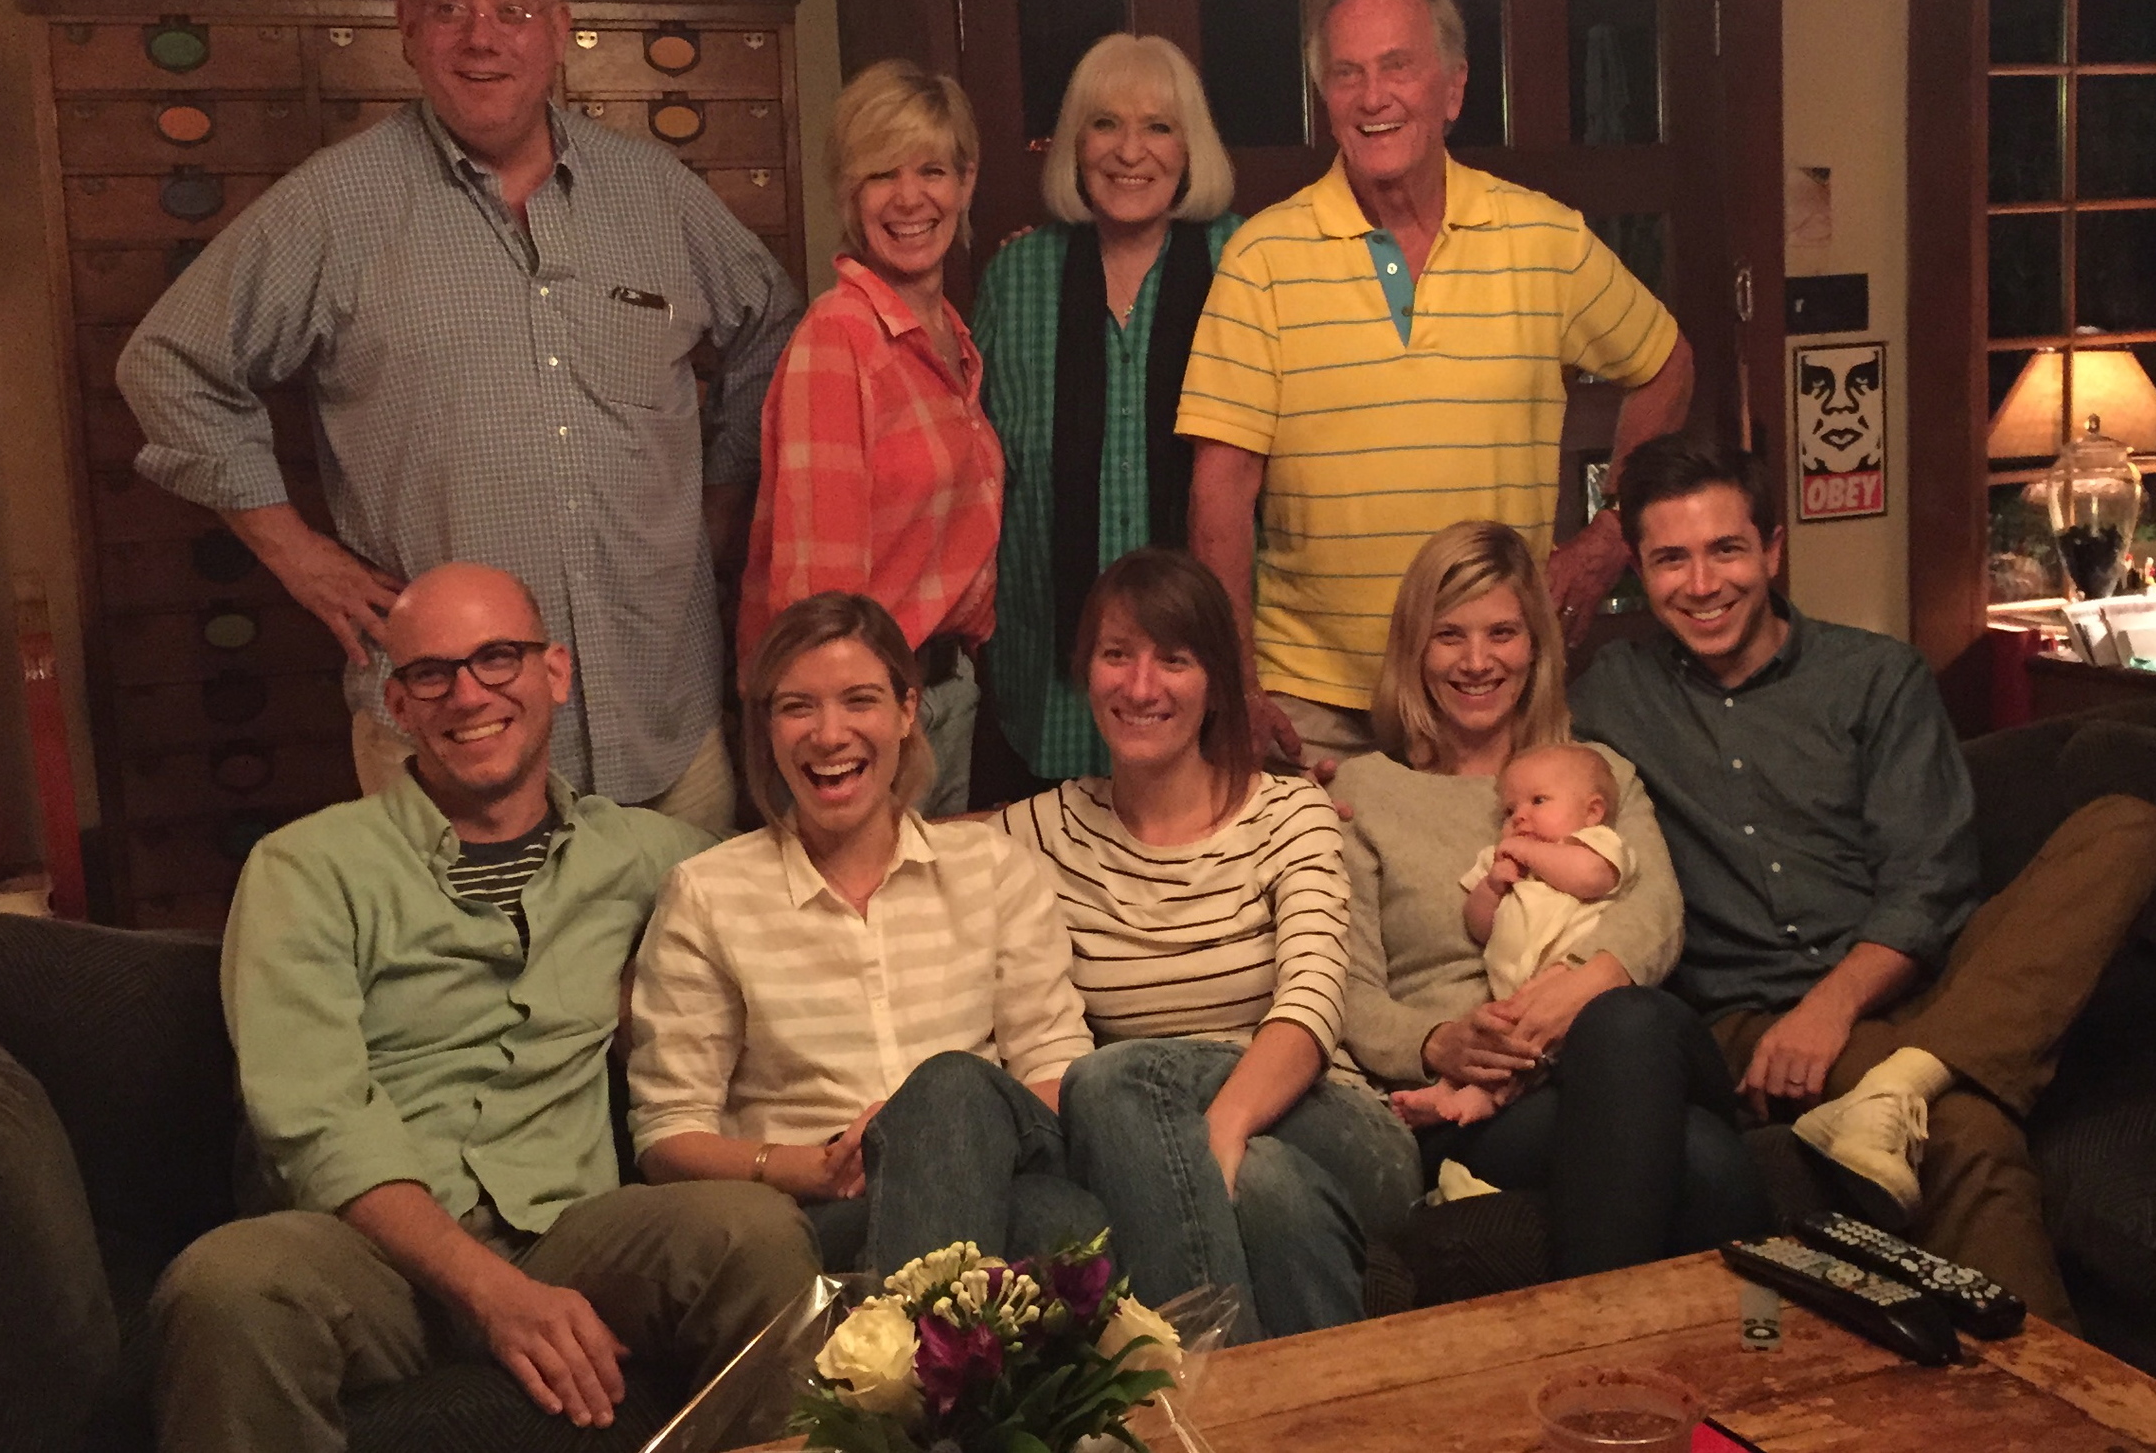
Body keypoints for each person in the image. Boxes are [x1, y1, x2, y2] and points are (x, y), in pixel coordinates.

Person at [117, 0, 798, 834]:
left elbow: (774, 326)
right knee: (458, 938)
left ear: (558, 29)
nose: (483, 38)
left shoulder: (656, 194)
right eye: (449, 9)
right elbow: (168, 363)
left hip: (664, 720)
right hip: (448, 747)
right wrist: (294, 553)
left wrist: (722, 495)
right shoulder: (333, 206)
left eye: (513, 10)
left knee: (686, 934)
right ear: (407, 29)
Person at [147, 564, 818, 1453]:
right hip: (372, 1255)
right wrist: (496, 1295)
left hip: (574, 1231)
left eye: (498, 656)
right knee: (225, 1284)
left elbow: (809, 876)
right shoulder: (304, 868)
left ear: (556, 672)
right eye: (432, 673)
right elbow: (314, 1118)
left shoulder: (652, 855)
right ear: (397, 702)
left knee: (753, 1233)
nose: (469, 694)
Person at [1573, 433, 2156, 1322]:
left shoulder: (1874, 676)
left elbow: (1931, 879)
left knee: (2132, 824)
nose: (1701, 584)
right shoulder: (1612, 693)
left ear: (1772, 550)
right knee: (1963, 1129)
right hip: (1755, 1014)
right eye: (1672, 559)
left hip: (1922, 980)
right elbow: (1482, 718)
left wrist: (1834, 1004)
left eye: (1726, 549)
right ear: (1639, 569)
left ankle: (1911, 1076)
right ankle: (2047, 1395)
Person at [1178, 0, 1696, 768]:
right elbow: (1221, 490)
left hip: (1491, 700)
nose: (1373, 96)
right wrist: (1237, 685)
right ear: (1325, 98)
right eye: (1347, 73)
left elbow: (1667, 365)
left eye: (1398, 66)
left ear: (1452, 88)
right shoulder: (1261, 259)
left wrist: (1607, 538)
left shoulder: (1545, 238)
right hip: (1316, 709)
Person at [994, 549, 1420, 1343]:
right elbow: (920, 846)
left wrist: (1219, 1127)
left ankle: (1199, 1389)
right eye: (1116, 654)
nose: (1140, 686)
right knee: (1267, 1191)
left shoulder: (1290, 813)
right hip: (1146, 1148)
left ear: (1219, 684)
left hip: (1332, 1118)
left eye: (1174, 659)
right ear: (1086, 671)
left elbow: (1312, 1000)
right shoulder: (1041, 833)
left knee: (1110, 1074)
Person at [1335, 521, 1767, 1282]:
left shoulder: (1596, 770)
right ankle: (1720, 1348)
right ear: (1414, 650)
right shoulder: (1365, 792)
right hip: (1476, 1094)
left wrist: (1584, 984)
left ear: (1535, 645)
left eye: (1502, 633)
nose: (1477, 661)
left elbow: (1655, 912)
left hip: (1619, 1040)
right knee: (1705, 1159)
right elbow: (1350, 989)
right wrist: (1439, 1041)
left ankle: (1593, 1341)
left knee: (1626, 1020)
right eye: (1449, 635)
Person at [628, 591, 1103, 1277]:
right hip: (816, 1212)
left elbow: (1054, 1063)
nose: (829, 734)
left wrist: (934, 1132)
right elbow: (667, 1134)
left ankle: (899, 1345)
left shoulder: (993, 869)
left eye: (859, 700)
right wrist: (812, 1166)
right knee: (1056, 1222)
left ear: (907, 711)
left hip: (992, 1169)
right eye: (798, 707)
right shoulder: (708, 895)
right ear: (767, 727)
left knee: (967, 1115)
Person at [975, 33, 1243, 788]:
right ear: (1074, 143)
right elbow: (977, 470)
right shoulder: (1018, 276)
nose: (1130, 151)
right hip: (1050, 675)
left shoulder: (1248, 264)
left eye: (1158, 126)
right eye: (1105, 124)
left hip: (1213, 669)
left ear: (1191, 147)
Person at [741, 62, 1001, 817]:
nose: (910, 197)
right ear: (849, 194)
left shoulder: (948, 335)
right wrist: (849, 721)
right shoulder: (840, 338)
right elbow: (816, 595)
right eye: (882, 174)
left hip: (940, 694)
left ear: (966, 182)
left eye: (932, 171)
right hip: (860, 712)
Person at [1387, 740, 1633, 1129]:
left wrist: (1529, 854)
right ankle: (1449, 1090)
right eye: (1510, 810)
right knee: (1494, 1042)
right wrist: (1491, 889)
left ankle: (1487, 1098)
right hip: (1510, 990)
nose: (1520, 817)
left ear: (1592, 812)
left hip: (1571, 989)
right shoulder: (1499, 859)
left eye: (1538, 801)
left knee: (1543, 1043)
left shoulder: (1595, 844)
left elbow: (1591, 879)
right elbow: (1479, 927)